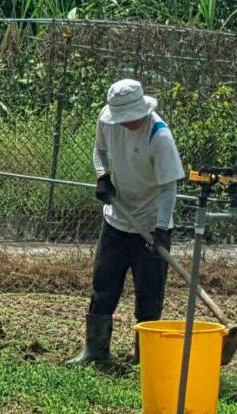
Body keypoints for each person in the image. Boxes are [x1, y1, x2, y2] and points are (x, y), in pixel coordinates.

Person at [69, 79, 185, 366]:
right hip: (117, 221)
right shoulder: (107, 122)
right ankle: (95, 351)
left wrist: (159, 229)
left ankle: (144, 359)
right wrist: (102, 176)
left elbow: (169, 188)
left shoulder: (159, 136)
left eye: (132, 119)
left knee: (149, 294)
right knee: (103, 285)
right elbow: (100, 152)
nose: (127, 124)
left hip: (151, 224)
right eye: (123, 119)